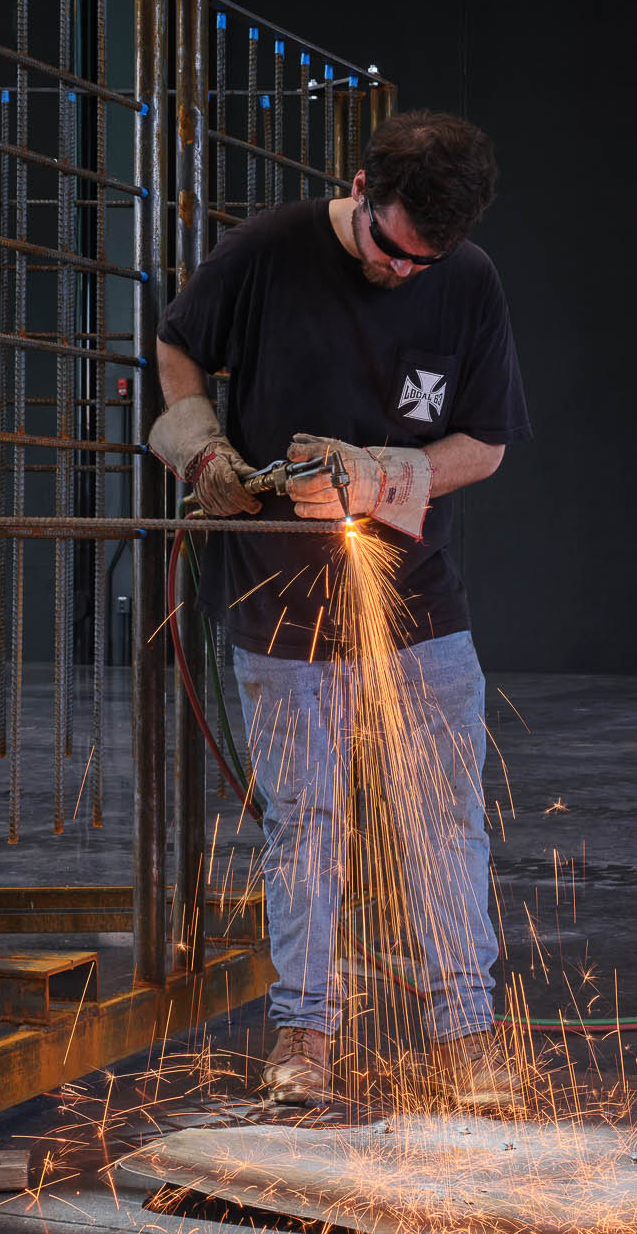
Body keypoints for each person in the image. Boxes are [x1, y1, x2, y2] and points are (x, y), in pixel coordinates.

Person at [149, 110, 531, 1109]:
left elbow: (483, 443)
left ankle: (467, 1028)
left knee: (442, 817)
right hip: (273, 596)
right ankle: (302, 1034)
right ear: (359, 187)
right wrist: (196, 441)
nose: (402, 272)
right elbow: (177, 344)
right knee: (304, 820)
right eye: (387, 248)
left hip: (418, 601)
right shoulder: (267, 250)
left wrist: (383, 471)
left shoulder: (467, 279)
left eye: (423, 260)